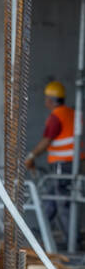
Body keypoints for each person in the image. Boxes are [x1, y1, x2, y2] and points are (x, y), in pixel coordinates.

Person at [26, 80, 82, 246]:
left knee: (62, 201)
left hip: (63, 165)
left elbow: (46, 141)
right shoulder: (73, 113)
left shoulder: (56, 117)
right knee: (52, 197)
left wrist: (31, 156)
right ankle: (41, 230)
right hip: (74, 163)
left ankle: (72, 240)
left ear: (50, 100)